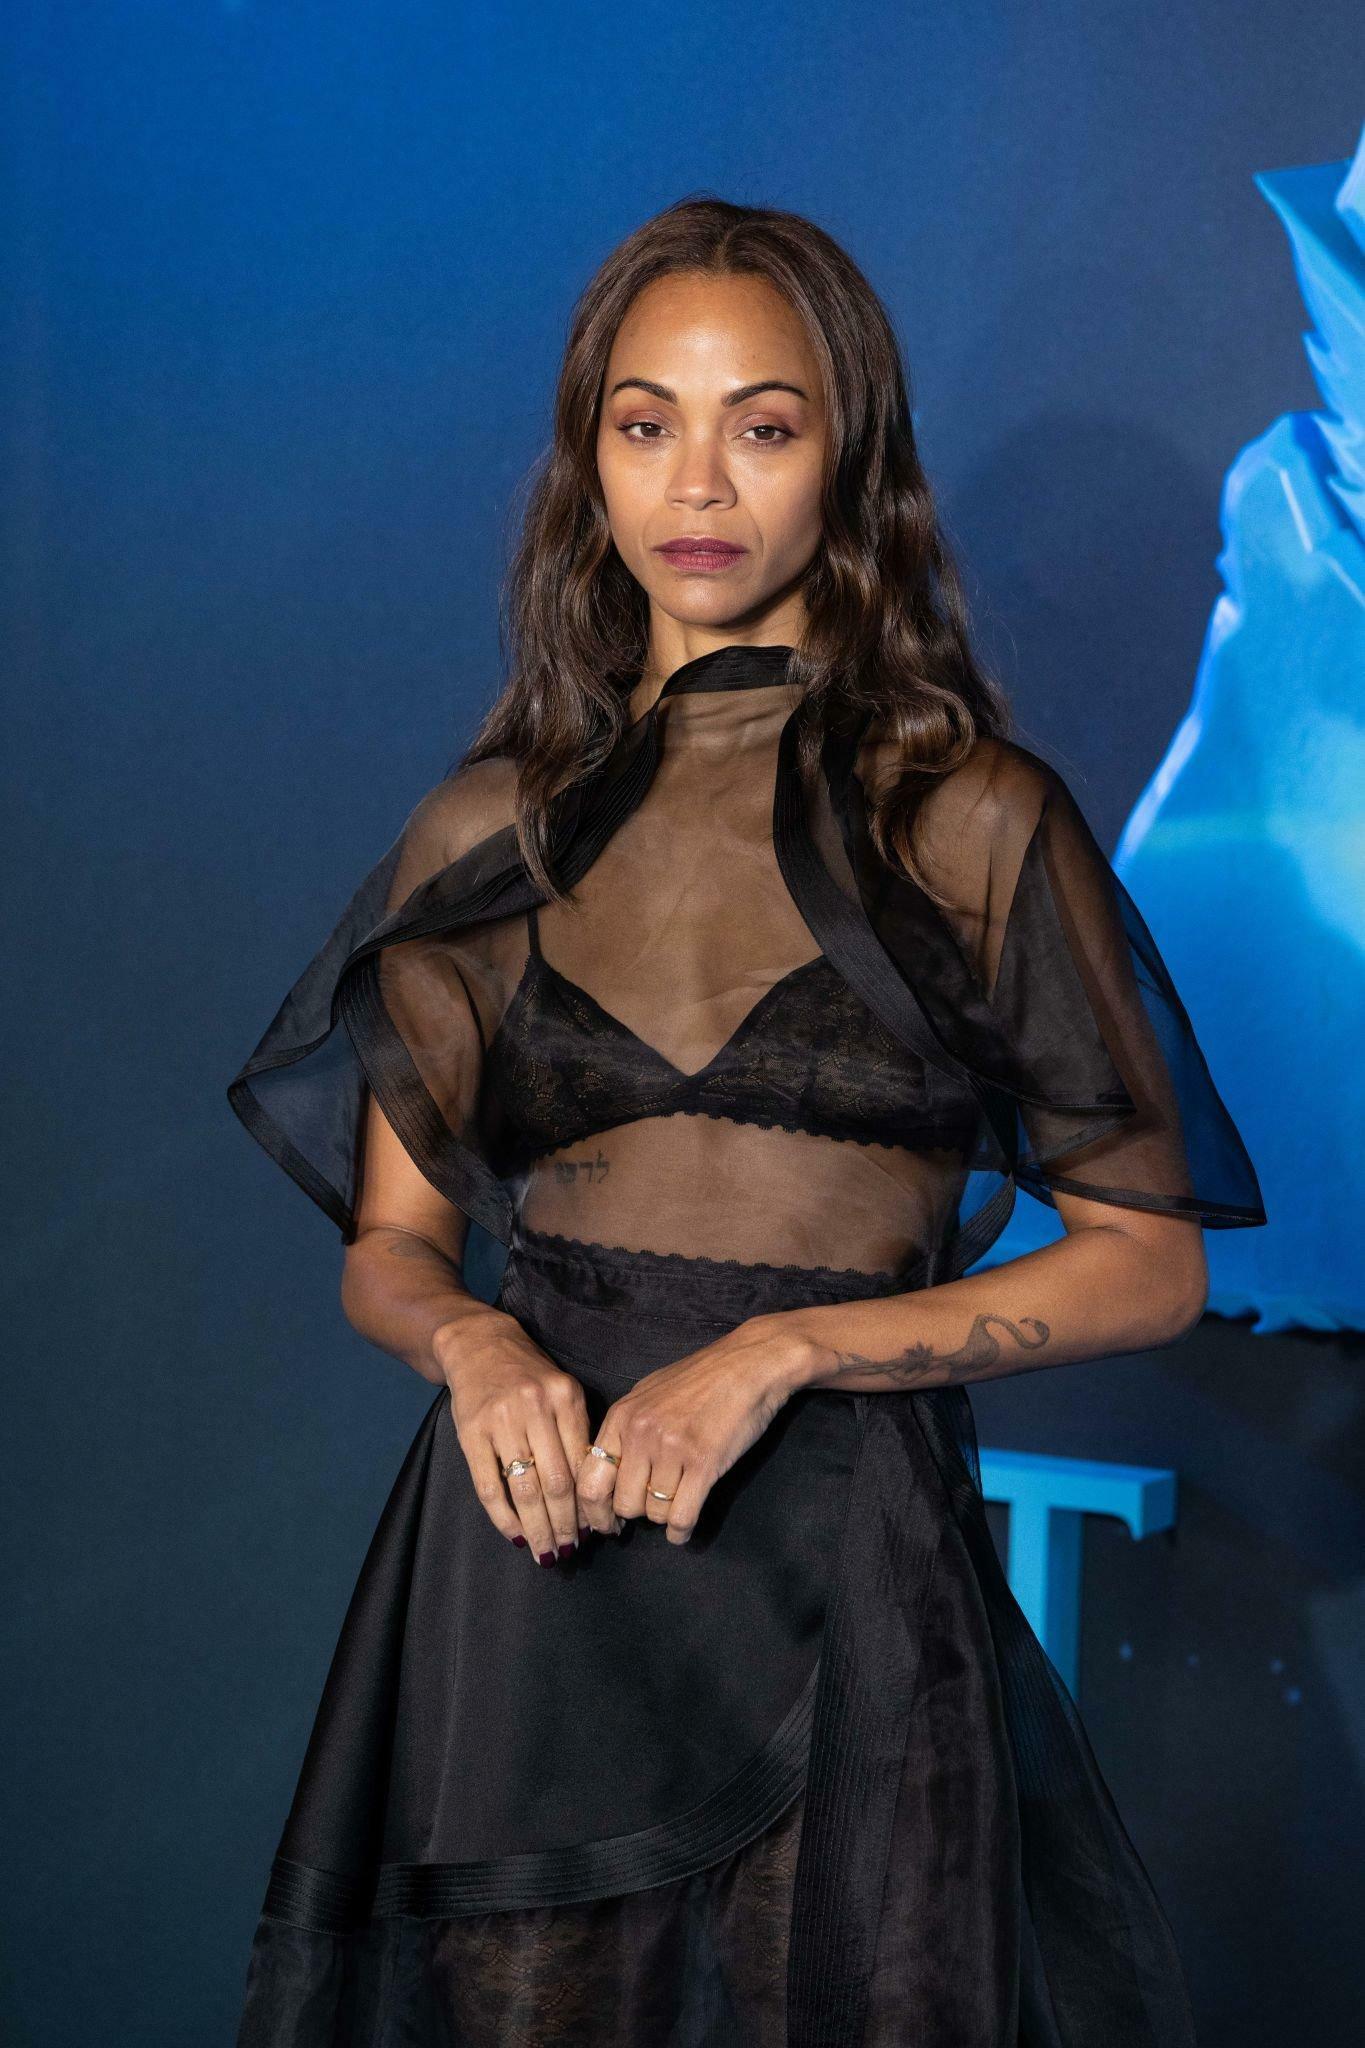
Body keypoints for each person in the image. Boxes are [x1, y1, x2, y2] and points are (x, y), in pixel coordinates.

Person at [227, 197, 1266, 2047]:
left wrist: (784, 1351)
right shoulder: (486, 829)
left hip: (848, 1570)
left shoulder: (971, 819)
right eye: (645, 424)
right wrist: (474, 1343)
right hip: (528, 1581)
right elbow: (390, 1247)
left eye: (760, 426)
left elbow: (1146, 1267)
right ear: (589, 460)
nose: (694, 482)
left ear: (847, 462)